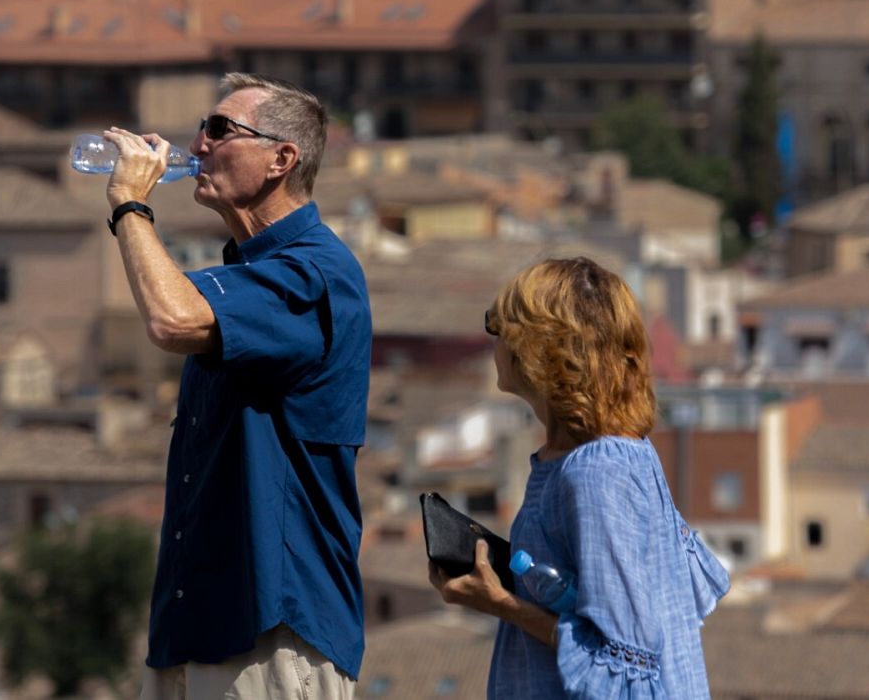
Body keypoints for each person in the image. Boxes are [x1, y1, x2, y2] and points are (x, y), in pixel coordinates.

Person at [103, 74, 371, 700]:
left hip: (270, 634)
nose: (198, 144)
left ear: (282, 159)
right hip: (195, 631)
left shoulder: (312, 275)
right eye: (203, 126)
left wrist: (130, 207)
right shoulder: (251, 276)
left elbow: (171, 320)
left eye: (221, 130)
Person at [428, 257, 729, 699]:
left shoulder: (596, 472)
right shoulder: (597, 456)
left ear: (539, 349)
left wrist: (501, 603)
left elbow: (625, 666)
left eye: (500, 326)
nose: (493, 339)